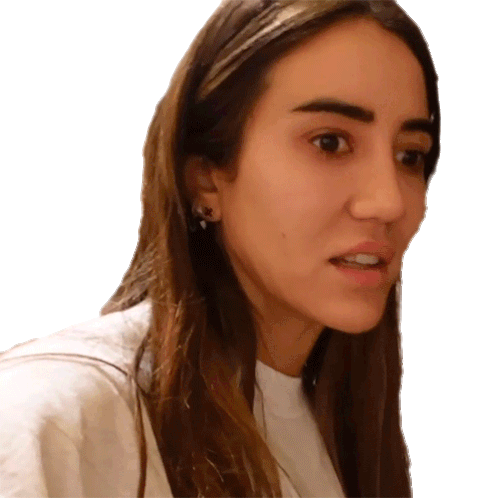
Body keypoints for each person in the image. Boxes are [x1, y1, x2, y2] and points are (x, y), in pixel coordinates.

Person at [0, 0, 440, 496]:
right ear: (206, 179)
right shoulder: (50, 420)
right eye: (330, 143)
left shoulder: (340, 435)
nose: (389, 201)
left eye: (410, 155)